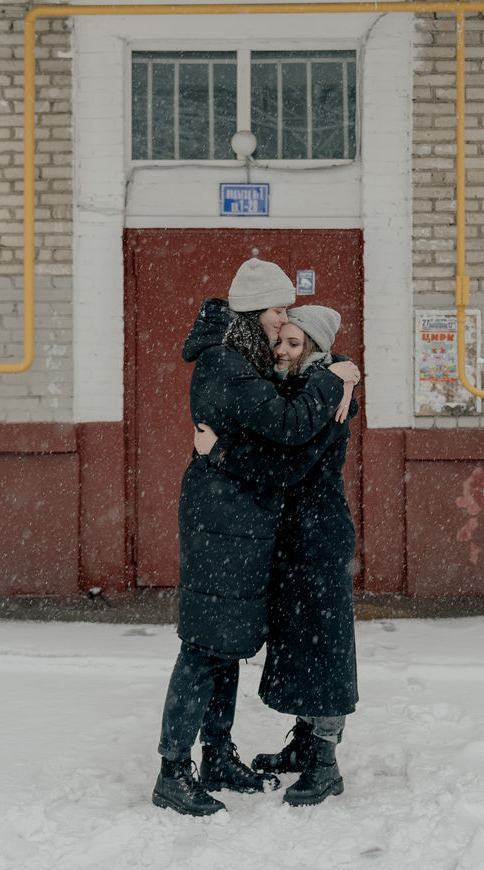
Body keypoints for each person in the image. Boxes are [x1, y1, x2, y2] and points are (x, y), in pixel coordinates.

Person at [152, 260, 360, 818]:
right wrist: (334, 375)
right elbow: (286, 433)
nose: (282, 328)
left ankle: (226, 756)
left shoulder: (253, 360)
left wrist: (338, 371)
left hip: (265, 528)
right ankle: (174, 771)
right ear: (253, 311)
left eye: (294, 332)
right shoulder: (230, 363)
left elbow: (290, 438)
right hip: (226, 525)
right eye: (277, 313)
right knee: (207, 648)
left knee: (234, 646)